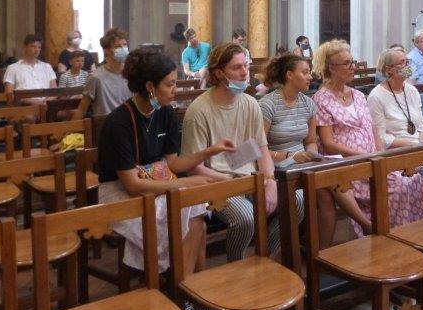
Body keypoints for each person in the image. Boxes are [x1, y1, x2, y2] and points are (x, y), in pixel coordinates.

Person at [98, 46, 235, 276]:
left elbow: (173, 163)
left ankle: (187, 283)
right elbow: (132, 185)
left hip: (156, 179)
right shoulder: (118, 122)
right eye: (170, 84)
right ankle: (186, 284)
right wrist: (185, 183)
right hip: (119, 191)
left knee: (195, 210)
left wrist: (208, 152)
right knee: (194, 211)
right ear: (150, 87)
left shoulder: (166, 112)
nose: (175, 90)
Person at [182, 43, 302, 261]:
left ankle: (266, 258)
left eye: (245, 65)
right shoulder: (198, 110)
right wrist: (234, 182)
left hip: (250, 177)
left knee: (298, 200)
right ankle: (236, 264)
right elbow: (194, 168)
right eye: (237, 67)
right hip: (216, 182)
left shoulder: (250, 103)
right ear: (219, 73)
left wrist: (270, 181)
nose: (245, 72)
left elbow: (261, 149)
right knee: (245, 217)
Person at [312, 40, 423, 236]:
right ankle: (387, 234)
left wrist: (380, 155)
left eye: (353, 62)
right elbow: (328, 143)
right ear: (331, 68)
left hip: (373, 159)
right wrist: (362, 156)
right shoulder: (321, 98)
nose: (353, 67)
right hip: (347, 164)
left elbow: (373, 130)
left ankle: (412, 234)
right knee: (400, 187)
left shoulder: (359, 95)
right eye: (347, 63)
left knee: (413, 181)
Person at [261, 54, 371, 247]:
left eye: (309, 72)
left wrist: (312, 154)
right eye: (305, 72)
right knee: (330, 182)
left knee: (327, 196)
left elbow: (311, 141)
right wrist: (290, 156)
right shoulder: (267, 104)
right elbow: (259, 149)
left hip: (303, 163)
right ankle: (367, 225)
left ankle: (321, 252)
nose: (310, 77)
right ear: (289, 75)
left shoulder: (308, 103)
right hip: (276, 165)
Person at [368, 48, 423, 218]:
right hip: (396, 152)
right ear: (389, 70)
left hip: (418, 147)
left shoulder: (411, 91)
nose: (407, 66)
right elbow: (380, 137)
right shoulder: (376, 96)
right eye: (402, 63)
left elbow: (421, 126)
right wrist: (411, 144)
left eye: (407, 62)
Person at [73, 27, 131, 119]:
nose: (123, 49)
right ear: (106, 50)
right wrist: (71, 128)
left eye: (125, 45)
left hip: (129, 124)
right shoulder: (96, 77)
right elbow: (82, 109)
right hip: (104, 125)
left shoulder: (132, 74)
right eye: (118, 46)